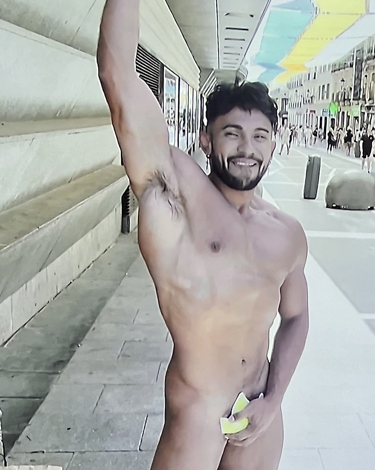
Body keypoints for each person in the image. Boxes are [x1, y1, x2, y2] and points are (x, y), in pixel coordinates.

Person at [97, 1, 310, 469]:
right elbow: (118, 77)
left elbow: (296, 316)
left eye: (260, 135)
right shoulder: (176, 197)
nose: (247, 148)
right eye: (232, 133)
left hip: (260, 409)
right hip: (198, 411)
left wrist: (274, 399)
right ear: (206, 140)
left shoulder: (287, 233)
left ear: (274, 143)